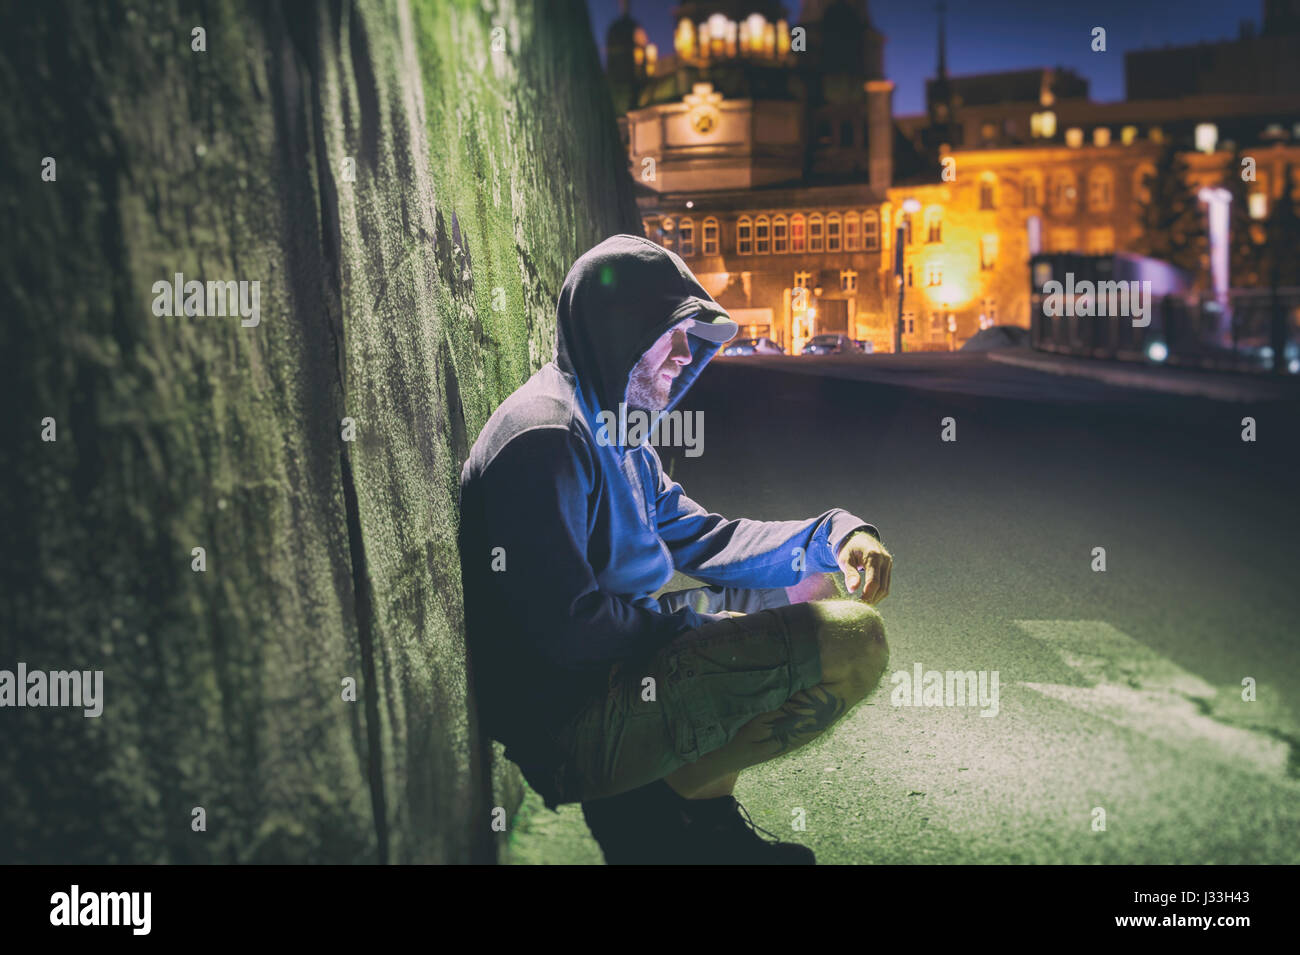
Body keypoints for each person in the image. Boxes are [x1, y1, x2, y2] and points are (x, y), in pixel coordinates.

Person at [458, 234, 892, 864]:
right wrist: (702, 629)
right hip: (576, 722)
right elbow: (565, 631)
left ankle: (694, 818)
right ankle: (666, 809)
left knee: (822, 581)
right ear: (618, 330)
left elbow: (710, 541)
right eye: (671, 334)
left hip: (613, 670)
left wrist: (837, 535)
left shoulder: (616, 426)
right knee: (856, 642)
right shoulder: (547, 438)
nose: (685, 355)